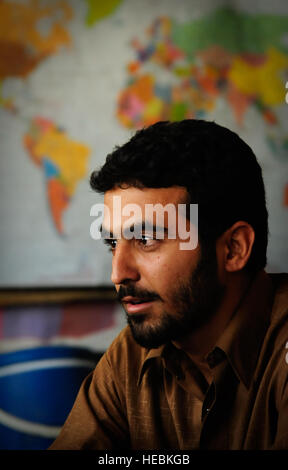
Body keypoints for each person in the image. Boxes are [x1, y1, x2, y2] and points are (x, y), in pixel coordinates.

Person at [49, 119, 288, 450]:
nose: (118, 274)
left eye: (145, 239)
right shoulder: (133, 354)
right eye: (113, 244)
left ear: (233, 249)